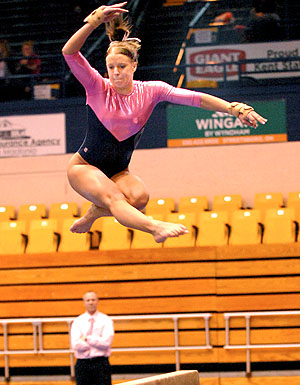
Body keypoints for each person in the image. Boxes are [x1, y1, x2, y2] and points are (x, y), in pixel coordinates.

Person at [62, 2, 267, 243]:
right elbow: (69, 53)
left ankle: (92, 214)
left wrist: (234, 108)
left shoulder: (151, 90)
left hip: (118, 171)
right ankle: (155, 228)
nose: (116, 72)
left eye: (122, 66)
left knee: (139, 198)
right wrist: (94, 21)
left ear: (134, 66)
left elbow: (194, 98)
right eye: (111, 67)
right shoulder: (97, 87)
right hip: (84, 167)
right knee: (114, 198)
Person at [71, 291, 114, 385]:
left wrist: (87, 338)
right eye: (88, 300)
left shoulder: (105, 320)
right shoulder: (78, 321)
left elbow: (106, 343)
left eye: (93, 299)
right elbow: (75, 345)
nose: (91, 302)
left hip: (101, 363)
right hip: (83, 364)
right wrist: (96, 341)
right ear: (84, 302)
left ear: (97, 301)